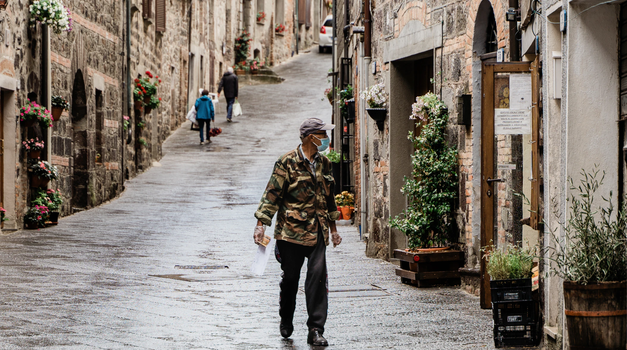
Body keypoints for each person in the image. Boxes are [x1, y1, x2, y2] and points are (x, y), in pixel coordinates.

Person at [253, 118, 342, 347]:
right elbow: (271, 194)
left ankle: (315, 329)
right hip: (290, 233)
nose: (325, 139)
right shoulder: (286, 162)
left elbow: (329, 198)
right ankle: (286, 317)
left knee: (317, 279)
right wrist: (261, 223)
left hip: (318, 232)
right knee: (291, 279)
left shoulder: (325, 163)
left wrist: (333, 230)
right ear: (311, 137)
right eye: (323, 134)